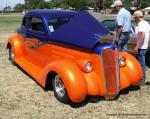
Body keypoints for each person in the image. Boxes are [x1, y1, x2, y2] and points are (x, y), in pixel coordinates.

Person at [133, 11, 150, 85]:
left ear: (137, 17)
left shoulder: (141, 24)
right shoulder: (146, 23)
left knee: (141, 64)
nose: (134, 19)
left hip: (142, 47)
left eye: (135, 17)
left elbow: (143, 35)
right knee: (140, 63)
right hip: (144, 46)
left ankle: (142, 80)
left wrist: (137, 45)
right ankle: (139, 78)